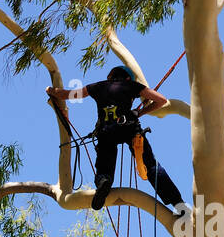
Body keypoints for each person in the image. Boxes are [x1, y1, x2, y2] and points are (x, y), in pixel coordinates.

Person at [46, 66, 187, 213]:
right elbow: (161, 100)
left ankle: (103, 182)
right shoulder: (132, 85)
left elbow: (68, 95)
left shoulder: (97, 86)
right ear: (127, 78)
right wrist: (140, 113)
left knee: (104, 166)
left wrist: (51, 91)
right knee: (150, 166)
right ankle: (178, 204)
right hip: (130, 128)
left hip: (106, 131)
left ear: (111, 76)